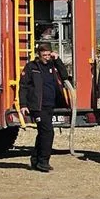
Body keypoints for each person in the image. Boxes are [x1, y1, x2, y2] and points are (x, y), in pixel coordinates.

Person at [18, 42, 70, 172]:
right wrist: (23, 104)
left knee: (42, 133)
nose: (46, 57)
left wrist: (57, 59)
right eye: (44, 55)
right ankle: (43, 161)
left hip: (50, 105)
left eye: (48, 54)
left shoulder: (53, 65)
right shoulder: (31, 67)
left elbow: (64, 75)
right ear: (38, 55)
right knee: (48, 132)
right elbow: (23, 86)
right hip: (37, 106)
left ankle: (35, 160)